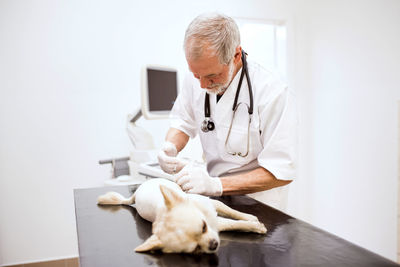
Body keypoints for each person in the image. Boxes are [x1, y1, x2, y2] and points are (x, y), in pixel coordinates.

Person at [157, 13, 297, 211]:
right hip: (211, 198)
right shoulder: (197, 78)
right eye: (197, 75)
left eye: (212, 76)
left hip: (260, 203)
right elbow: (182, 122)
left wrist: (217, 185)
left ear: (236, 55)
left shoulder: (272, 91)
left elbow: (280, 170)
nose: (203, 84)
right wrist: (170, 146)